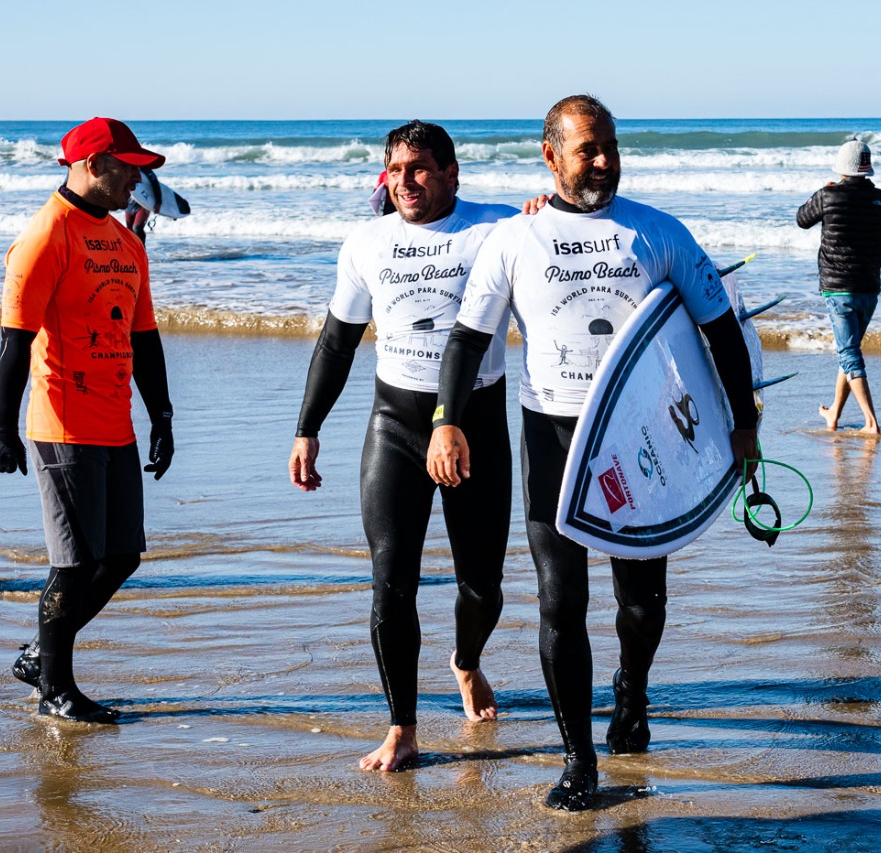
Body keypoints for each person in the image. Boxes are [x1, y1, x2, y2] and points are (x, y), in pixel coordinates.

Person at [426, 95, 760, 811]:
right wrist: (446, 419)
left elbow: (720, 327)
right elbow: (465, 338)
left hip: (641, 437)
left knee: (642, 602)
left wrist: (741, 424)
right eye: (589, 149)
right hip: (552, 434)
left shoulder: (658, 232)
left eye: (611, 145)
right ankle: (579, 757)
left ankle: (632, 686)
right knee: (560, 601)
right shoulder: (514, 241)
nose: (605, 160)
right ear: (551, 156)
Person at [287, 120, 516, 773]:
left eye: (419, 168)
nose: (405, 181)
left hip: (477, 425)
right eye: (395, 169)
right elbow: (336, 341)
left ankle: (466, 660)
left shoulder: (496, 230)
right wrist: (308, 427)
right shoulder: (367, 242)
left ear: (451, 173)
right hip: (395, 423)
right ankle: (403, 727)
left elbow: (561, 260)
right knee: (391, 582)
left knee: (482, 586)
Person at [0, 117, 175, 724]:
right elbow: (15, 343)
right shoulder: (44, 237)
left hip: (116, 421)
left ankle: (43, 655)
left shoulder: (124, 243)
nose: (137, 180)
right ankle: (55, 691)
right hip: (61, 422)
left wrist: (162, 414)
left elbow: (144, 338)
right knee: (74, 562)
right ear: (94, 165)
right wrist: (1, 428)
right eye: (129, 168)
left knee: (121, 556)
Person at [797, 139, 881, 436]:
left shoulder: (827, 196)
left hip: (838, 288)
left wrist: (823, 192)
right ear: (867, 168)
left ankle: (870, 422)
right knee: (850, 351)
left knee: (849, 353)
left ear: (842, 168)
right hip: (869, 287)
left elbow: (801, 219)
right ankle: (833, 414)